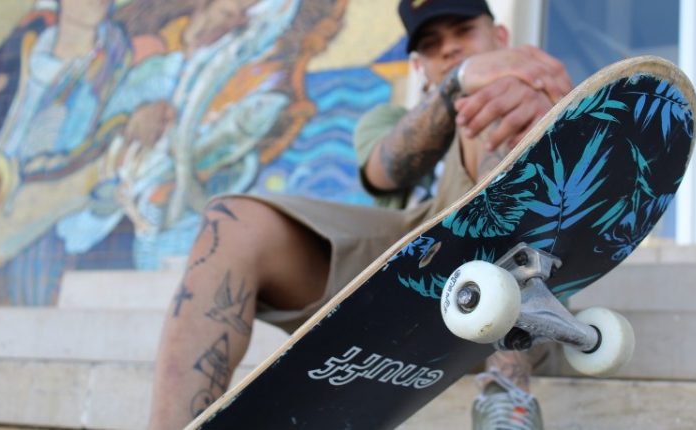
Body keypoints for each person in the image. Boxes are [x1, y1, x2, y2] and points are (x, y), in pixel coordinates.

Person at [148, 0, 572, 428]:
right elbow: (388, 171)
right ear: (418, 66)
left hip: (513, 320)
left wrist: (528, 97)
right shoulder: (387, 119)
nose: (448, 49)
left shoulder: (524, 101)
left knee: (491, 103)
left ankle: (507, 398)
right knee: (230, 224)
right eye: (431, 44)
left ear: (501, 37)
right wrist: (459, 81)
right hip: (400, 294)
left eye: (463, 31)